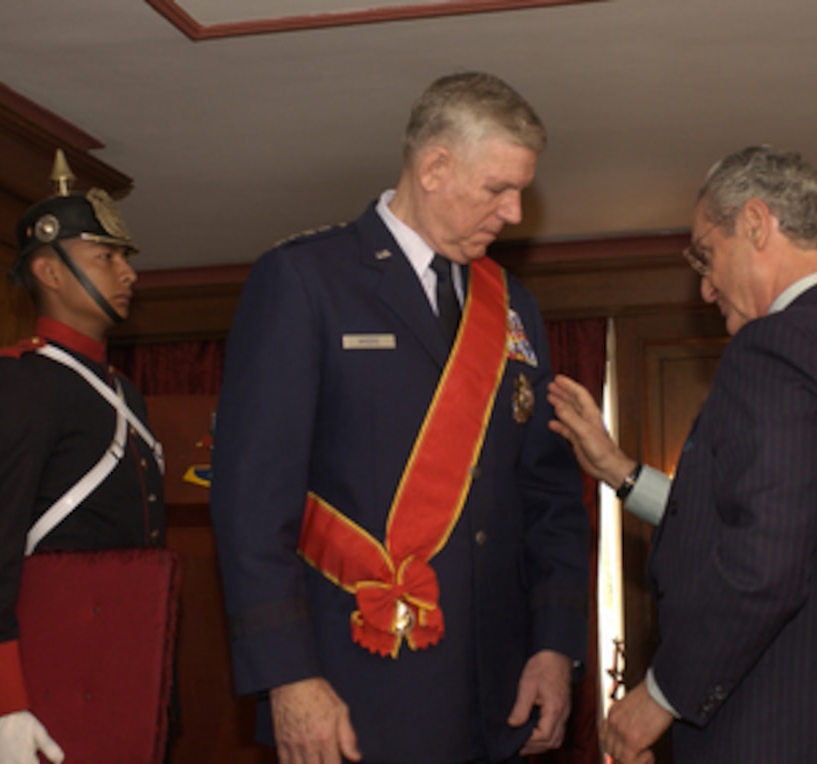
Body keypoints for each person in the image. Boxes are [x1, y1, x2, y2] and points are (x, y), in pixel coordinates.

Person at [210, 71, 590, 764]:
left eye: (521, 193)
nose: (512, 213)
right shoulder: (305, 280)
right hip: (356, 687)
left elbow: (551, 497)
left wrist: (555, 645)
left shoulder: (513, 307)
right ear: (435, 167)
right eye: (498, 189)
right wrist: (288, 675)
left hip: (497, 693)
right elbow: (251, 503)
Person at [548, 145, 817, 763]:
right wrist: (619, 471)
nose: (703, 286)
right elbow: (790, 527)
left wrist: (660, 695)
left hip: (775, 732)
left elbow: (764, 564)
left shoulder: (774, 347)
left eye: (705, 254)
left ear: (755, 223)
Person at [0, 150, 165, 764]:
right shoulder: (19, 383)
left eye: (124, 258)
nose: (128, 273)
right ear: (51, 270)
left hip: (116, 668)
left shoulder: (127, 394)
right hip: (45, 674)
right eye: (107, 257)